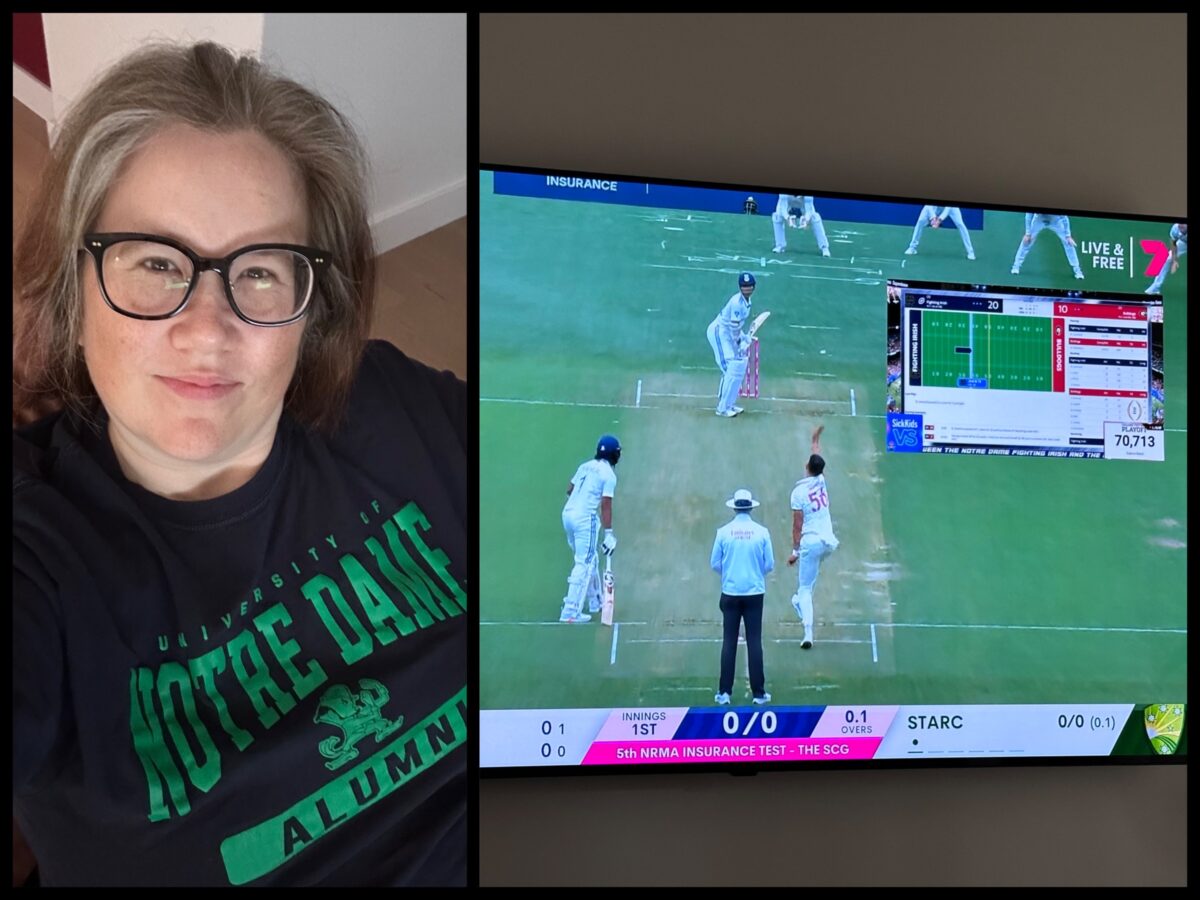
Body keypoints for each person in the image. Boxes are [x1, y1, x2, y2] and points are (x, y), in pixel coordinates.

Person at [12, 42, 466, 887]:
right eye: (155, 263)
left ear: (309, 309)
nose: (208, 328)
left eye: (258, 272)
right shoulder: (42, 550)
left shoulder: (388, 404)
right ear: (73, 296)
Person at [710, 489, 775, 706]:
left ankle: (724, 692)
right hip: (755, 592)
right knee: (754, 641)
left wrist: (730, 574)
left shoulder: (723, 532)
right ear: (750, 507)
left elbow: (715, 564)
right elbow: (769, 565)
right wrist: (753, 574)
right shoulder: (762, 532)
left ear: (735, 507)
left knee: (729, 641)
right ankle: (759, 693)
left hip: (730, 592)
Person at [788, 425, 840, 649]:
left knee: (804, 589)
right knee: (809, 581)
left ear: (807, 467)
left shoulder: (799, 493)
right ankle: (800, 603)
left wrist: (794, 552)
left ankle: (808, 632)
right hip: (829, 543)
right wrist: (815, 438)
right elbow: (817, 453)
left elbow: (797, 525)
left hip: (810, 543)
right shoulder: (821, 480)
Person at [559, 434, 621, 623]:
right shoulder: (609, 475)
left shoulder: (584, 466)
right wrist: (609, 534)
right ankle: (570, 611)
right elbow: (605, 504)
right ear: (615, 455)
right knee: (584, 563)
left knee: (590, 558)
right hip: (585, 519)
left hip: (567, 514)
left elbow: (570, 489)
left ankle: (595, 601)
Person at [705, 272, 756, 418]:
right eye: (744, 286)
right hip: (719, 333)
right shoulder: (736, 303)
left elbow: (737, 326)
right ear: (740, 287)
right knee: (730, 370)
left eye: (749, 286)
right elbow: (733, 327)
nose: (747, 289)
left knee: (736, 370)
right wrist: (739, 343)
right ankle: (722, 408)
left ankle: (729, 404)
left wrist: (744, 337)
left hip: (728, 334)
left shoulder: (747, 302)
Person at [1011, 212, 1084, 279]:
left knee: (1068, 242)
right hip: (1039, 219)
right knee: (1026, 241)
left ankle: (1077, 270)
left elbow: (1064, 218)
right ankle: (1016, 266)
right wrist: (1028, 234)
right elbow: (1028, 216)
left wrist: (1068, 236)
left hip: (1055, 221)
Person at [904, 204, 975, 259]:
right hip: (931, 207)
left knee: (960, 224)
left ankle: (970, 252)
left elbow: (948, 208)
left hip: (951, 207)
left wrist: (939, 219)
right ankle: (912, 248)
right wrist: (933, 218)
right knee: (920, 221)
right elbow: (929, 205)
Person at [1145, 223, 1187, 294]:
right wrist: (1174, 260)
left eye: (1183, 224)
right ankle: (1155, 287)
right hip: (1184, 243)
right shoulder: (1175, 229)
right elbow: (1173, 244)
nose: (1181, 225)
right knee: (1168, 258)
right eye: (1180, 224)